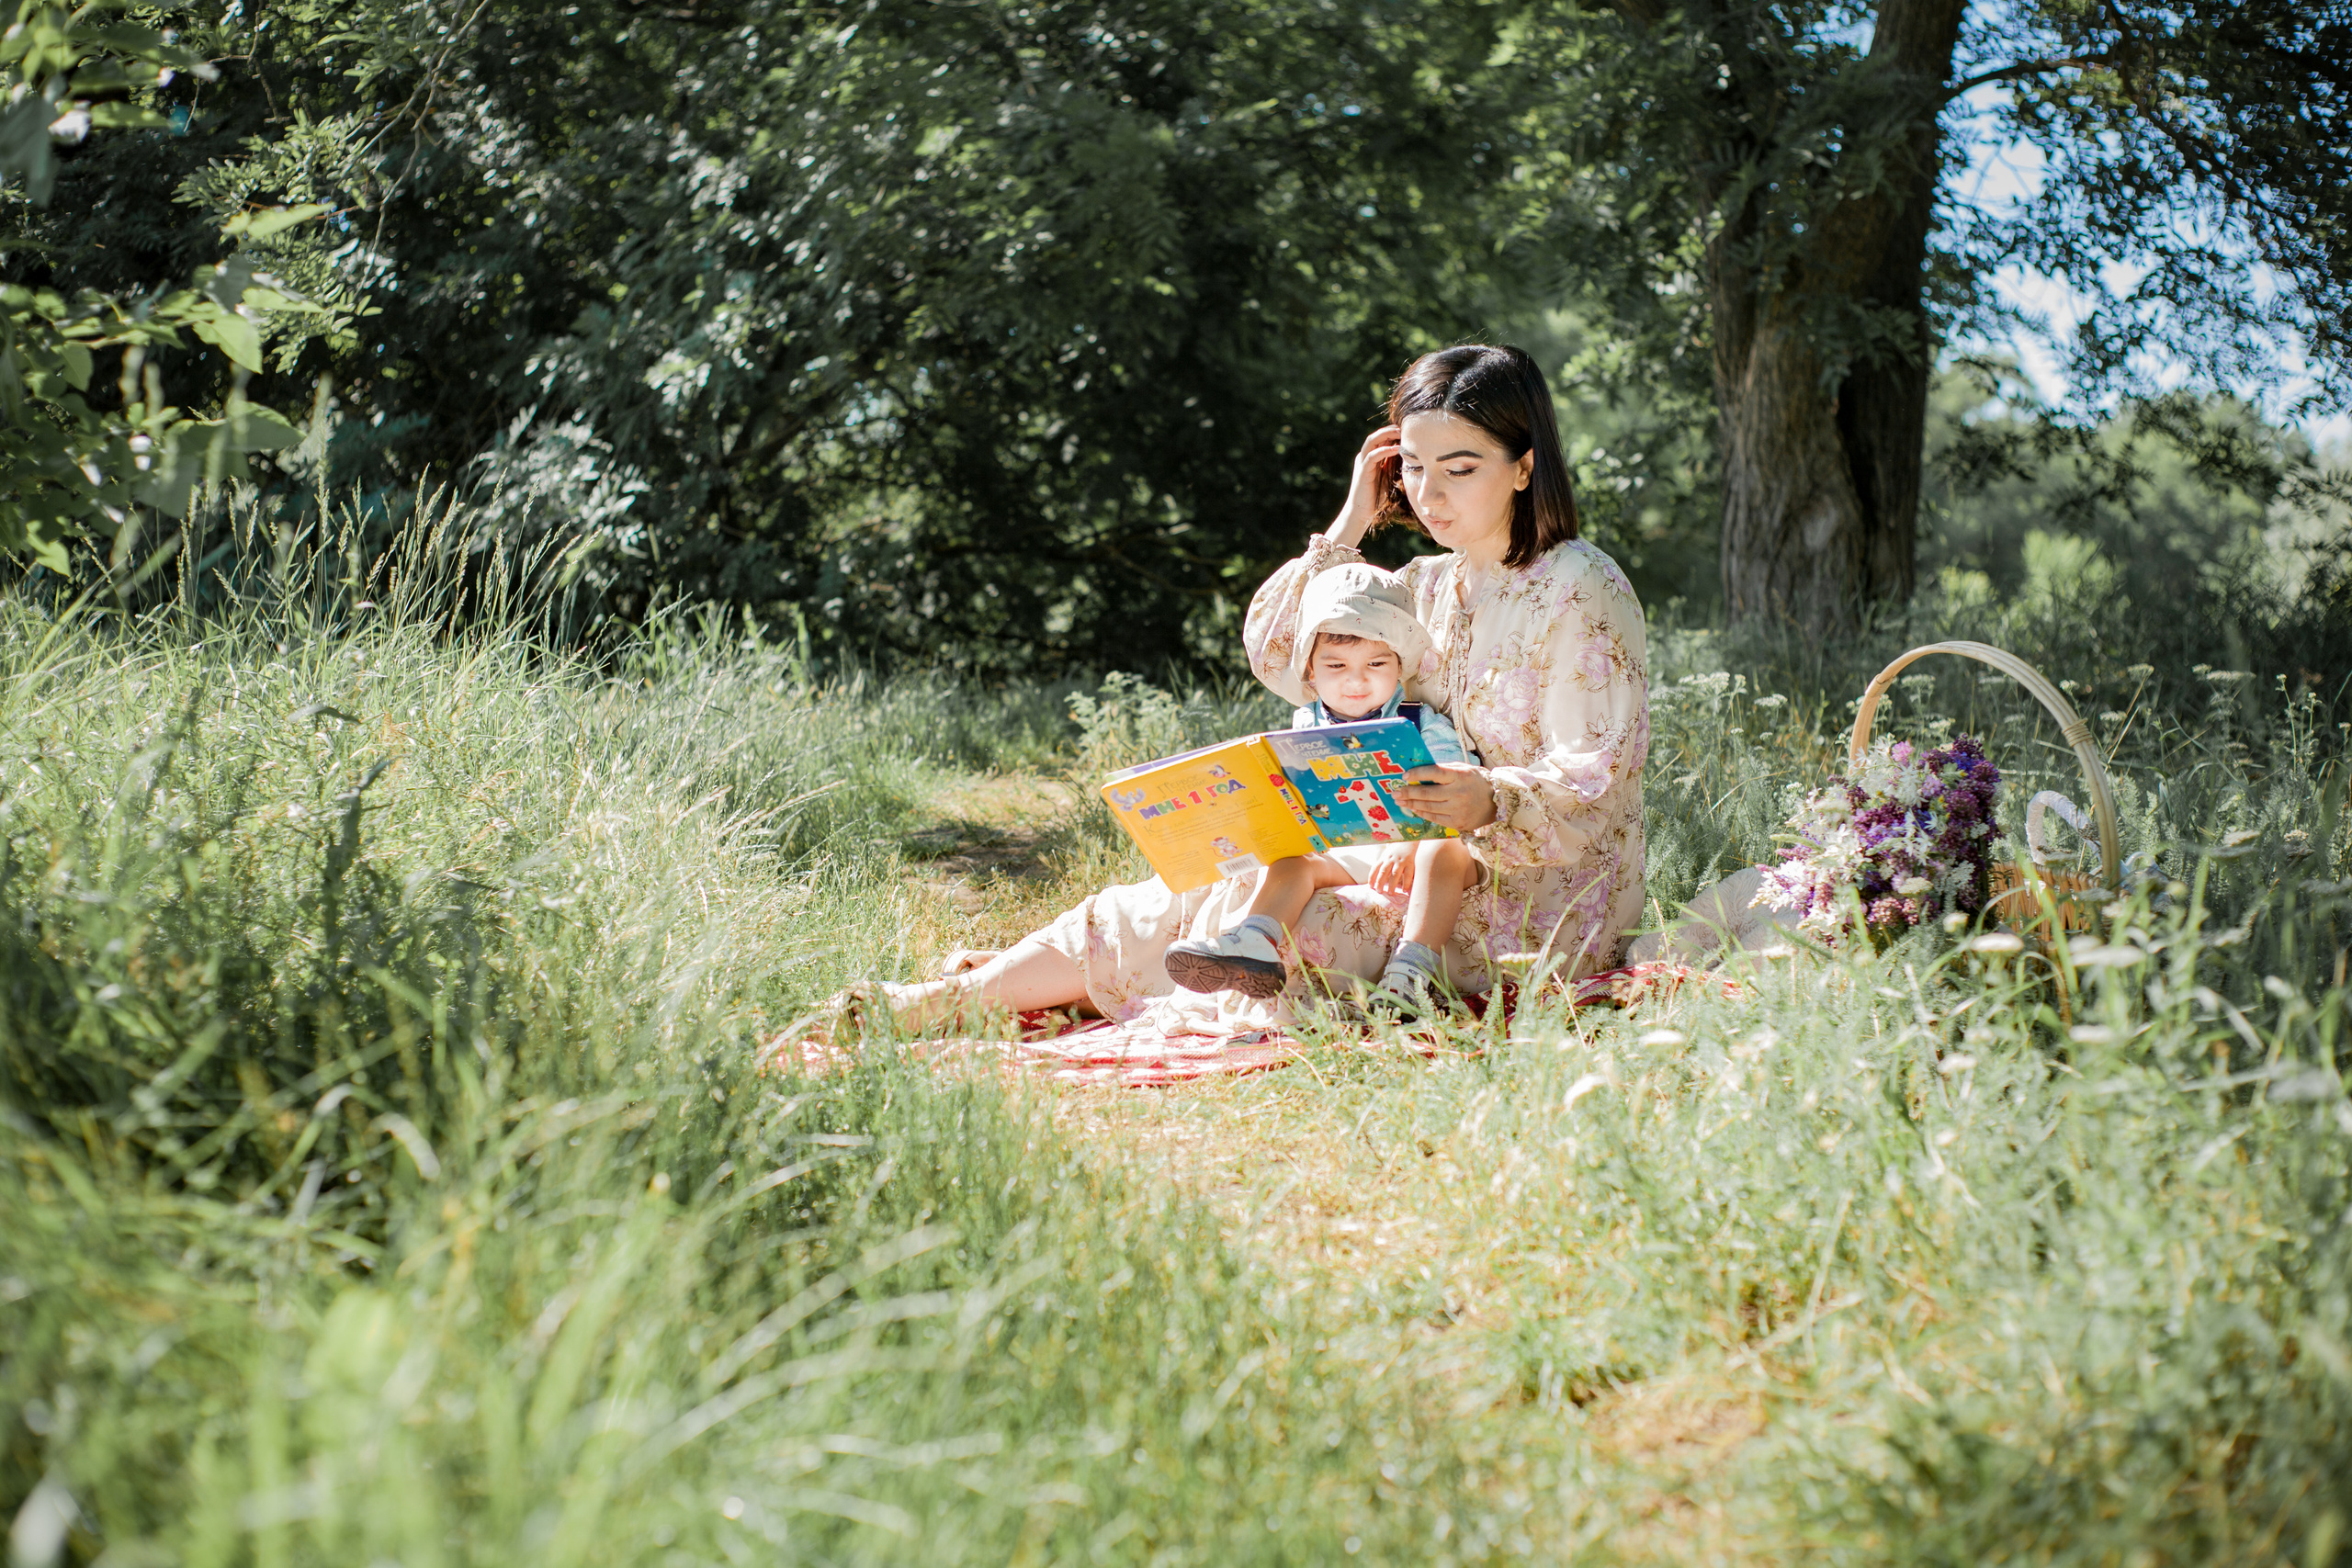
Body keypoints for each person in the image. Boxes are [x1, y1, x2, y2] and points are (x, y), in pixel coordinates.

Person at [825, 343, 1648, 1038]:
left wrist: (1487, 802)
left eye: (1460, 469)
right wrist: (1352, 521)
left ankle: (980, 999)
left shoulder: (1581, 584)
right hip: (1406, 861)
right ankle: (934, 1005)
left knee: (1291, 939)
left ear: (1524, 465)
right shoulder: (1426, 583)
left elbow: (1597, 779)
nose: (1431, 496)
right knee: (1219, 891)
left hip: (1532, 904)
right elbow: (1286, 653)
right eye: (1417, 470)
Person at [1159, 562, 1479, 1017]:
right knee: (1293, 862)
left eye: (1376, 664)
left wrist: (1410, 846)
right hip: (1346, 850)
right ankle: (1257, 941)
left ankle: (1410, 973)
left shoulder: (1421, 722)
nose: (1356, 679)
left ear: (1400, 666)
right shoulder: (1306, 724)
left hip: (1416, 851)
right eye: (1336, 665)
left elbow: (1458, 788)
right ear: (1311, 670)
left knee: (1444, 851)